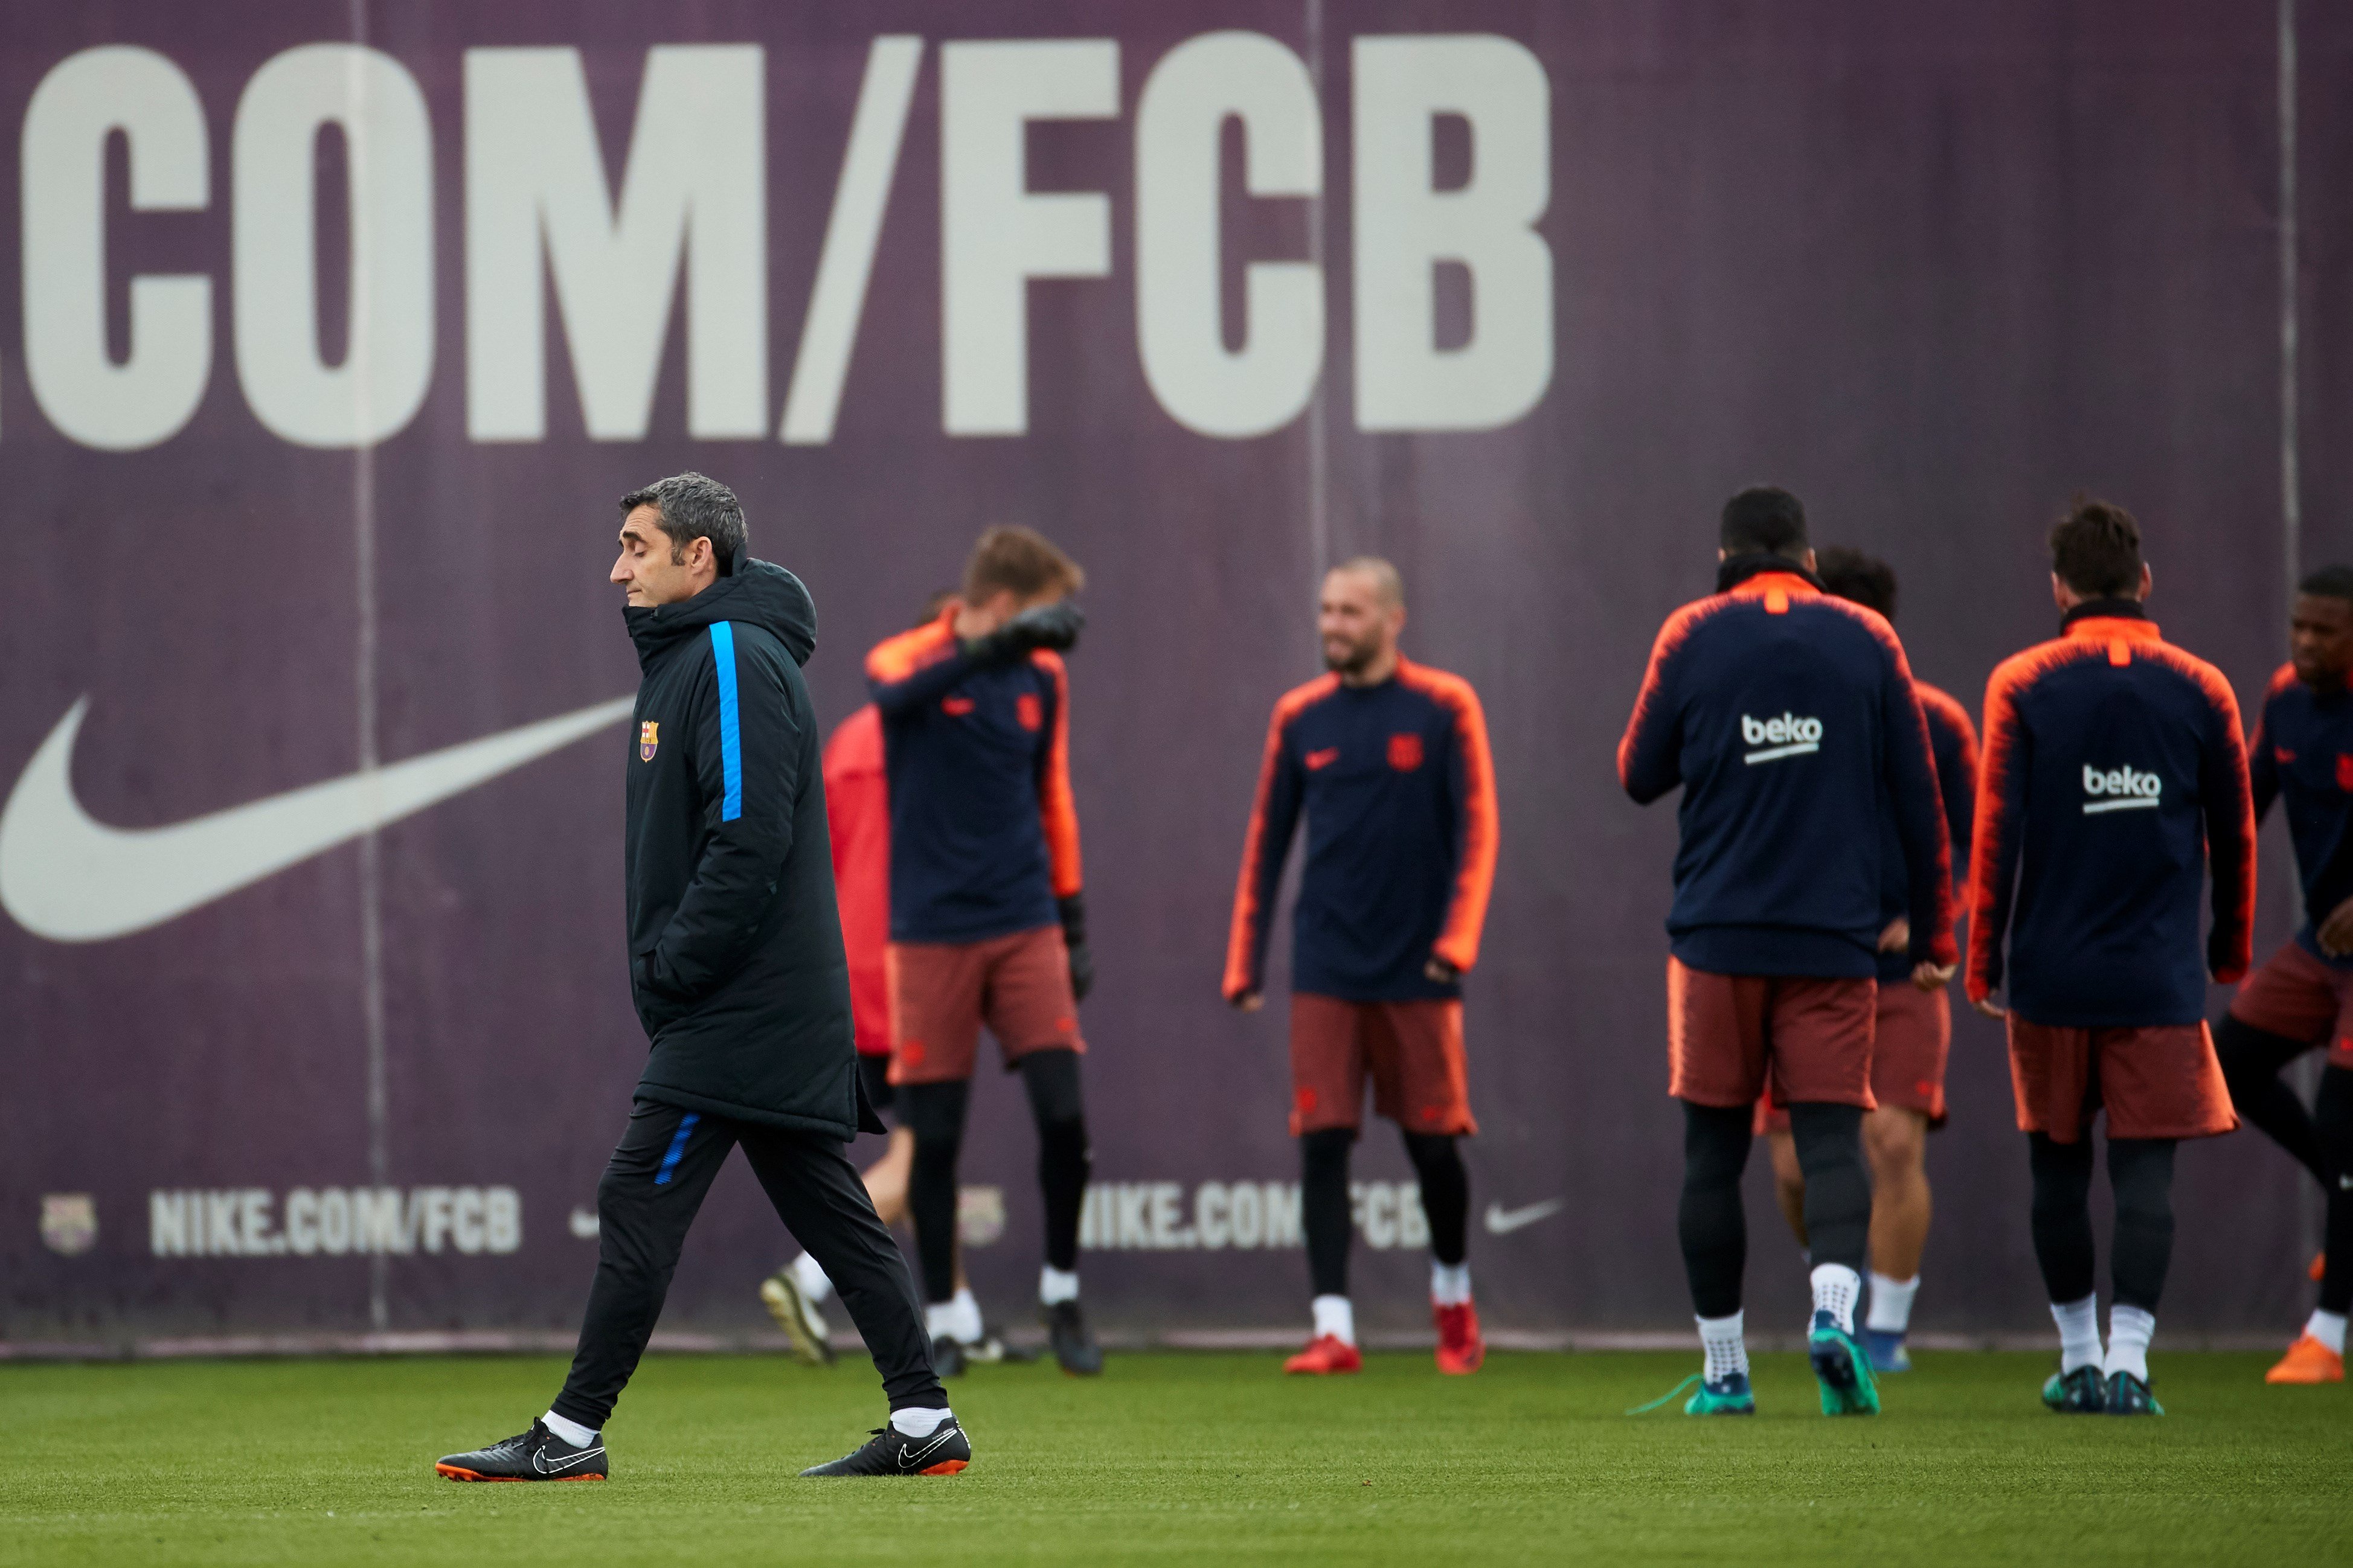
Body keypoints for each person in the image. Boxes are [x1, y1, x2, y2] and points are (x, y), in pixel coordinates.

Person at [436, 473, 966, 1482]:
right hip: (755, 1001)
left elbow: (748, 833)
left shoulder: (725, 652)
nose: (617, 567)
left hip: (739, 1006)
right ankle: (924, 1416)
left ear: (699, 559)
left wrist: (678, 963)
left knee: (636, 1193)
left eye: (638, 546)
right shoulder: (695, 655)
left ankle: (570, 1435)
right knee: (829, 1211)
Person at [1618, 487, 1956, 1418]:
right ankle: (1834, 1316)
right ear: (1806, 557)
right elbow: (1920, 797)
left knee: (1712, 1156)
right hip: (1833, 940)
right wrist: (1934, 932)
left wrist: (1727, 734)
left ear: (1724, 555)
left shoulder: (1692, 632)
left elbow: (1638, 774)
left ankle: (1726, 1372)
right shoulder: (1868, 640)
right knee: (1834, 1142)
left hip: (1718, 939)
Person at [1967, 496, 2252, 1417]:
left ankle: (2078, 1357)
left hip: (2050, 973)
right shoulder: (2204, 687)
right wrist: (2228, 950)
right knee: (2145, 1175)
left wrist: (1982, 964)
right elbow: (2237, 834)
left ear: (2059, 588)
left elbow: (1995, 832)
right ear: (2145, 583)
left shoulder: (2022, 681)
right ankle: (2131, 1366)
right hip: (2158, 976)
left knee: (2057, 1170)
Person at [1224, 558, 1501, 1377]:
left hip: (1421, 966)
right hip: (1327, 965)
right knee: (1322, 1143)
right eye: (1325, 610)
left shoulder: (1446, 705)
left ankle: (1453, 1300)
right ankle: (1334, 1327)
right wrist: (1246, 960)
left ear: (1392, 619)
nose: (1332, 625)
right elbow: (1266, 845)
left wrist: (1456, 944)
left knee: (1434, 1147)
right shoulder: (1300, 717)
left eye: (1348, 611)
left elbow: (1480, 832)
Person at [864, 527, 1102, 1377]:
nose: (1058, 624)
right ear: (1004, 604)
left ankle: (1063, 1292)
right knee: (934, 1137)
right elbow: (889, 693)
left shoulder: (1044, 675)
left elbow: (1056, 794)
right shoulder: (915, 655)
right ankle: (946, 1317)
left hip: (1025, 919)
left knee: (1064, 1116)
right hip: (930, 930)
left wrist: (1071, 923)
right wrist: (990, 642)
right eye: (1044, 608)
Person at [763, 594, 1023, 1366]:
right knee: (924, 1150)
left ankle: (961, 1314)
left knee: (927, 1144)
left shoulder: (847, 739)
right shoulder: (947, 734)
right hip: (920, 960)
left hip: (855, 968)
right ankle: (807, 1278)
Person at [1758, 548, 1978, 1374]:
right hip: (1800, 966)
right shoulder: (1787, 719)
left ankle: (1882, 1331)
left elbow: (1973, 846)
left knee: (1890, 1143)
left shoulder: (1937, 721)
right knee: (1790, 1166)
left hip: (1903, 975)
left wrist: (1931, 922)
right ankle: (1836, 1301)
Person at [2209, 566, 2353, 1384]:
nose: (2306, 642)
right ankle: (2343, 1190)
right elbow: (2245, 801)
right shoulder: (2286, 697)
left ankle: (2326, 1340)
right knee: (2225, 1071)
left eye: (2326, 630)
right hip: (2317, 951)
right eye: (2299, 626)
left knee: (2344, 1118)